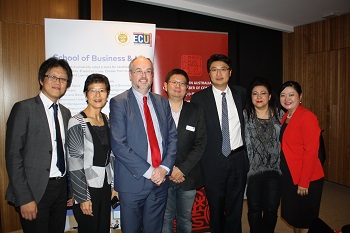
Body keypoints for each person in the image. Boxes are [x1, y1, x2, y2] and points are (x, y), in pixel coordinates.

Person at [5, 57, 74, 233]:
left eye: (63, 79)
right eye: (52, 77)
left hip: (60, 190)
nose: (58, 82)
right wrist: (24, 198)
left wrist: (69, 190)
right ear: (41, 79)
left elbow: (65, 154)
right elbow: (13, 156)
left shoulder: (65, 113)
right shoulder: (24, 108)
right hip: (35, 192)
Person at [109, 56, 178, 233]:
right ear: (130, 75)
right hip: (133, 183)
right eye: (138, 71)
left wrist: (163, 168)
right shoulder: (119, 102)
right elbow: (118, 144)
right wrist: (149, 171)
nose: (143, 75)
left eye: (148, 71)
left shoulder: (162, 102)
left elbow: (172, 139)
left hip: (160, 182)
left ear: (152, 75)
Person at [191, 54, 249, 233]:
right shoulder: (199, 98)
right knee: (215, 209)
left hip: (238, 159)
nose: (218, 73)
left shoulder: (241, 93)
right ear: (209, 74)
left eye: (222, 69)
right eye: (214, 70)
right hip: (212, 162)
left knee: (235, 209)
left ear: (229, 72)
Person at [66, 74, 118, 233]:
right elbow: (74, 162)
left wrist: (114, 186)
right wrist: (83, 197)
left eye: (102, 90)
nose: (97, 95)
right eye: (93, 90)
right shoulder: (76, 121)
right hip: (87, 187)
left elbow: (111, 156)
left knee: (103, 228)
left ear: (107, 94)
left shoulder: (106, 119)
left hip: (105, 185)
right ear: (85, 94)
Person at [161, 69, 207, 233]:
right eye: (174, 82)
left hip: (187, 176)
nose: (178, 86)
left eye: (182, 83)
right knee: (165, 220)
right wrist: (168, 169)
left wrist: (182, 170)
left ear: (187, 88)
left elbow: (201, 143)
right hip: (163, 176)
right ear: (165, 86)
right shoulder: (157, 109)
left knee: (185, 220)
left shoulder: (195, 111)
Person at [279, 81, 324, 233]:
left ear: (300, 97)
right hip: (290, 176)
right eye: (283, 95)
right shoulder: (286, 116)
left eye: (291, 95)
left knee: (304, 220)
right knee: (295, 218)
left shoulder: (307, 117)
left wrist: (304, 182)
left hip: (306, 179)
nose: (287, 99)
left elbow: (311, 152)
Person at [243, 77, 282, 233]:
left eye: (263, 93)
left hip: (275, 170)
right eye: (255, 93)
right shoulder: (244, 116)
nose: (259, 97)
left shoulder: (280, 115)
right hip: (252, 171)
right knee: (254, 209)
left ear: (270, 96)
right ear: (251, 97)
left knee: (272, 209)